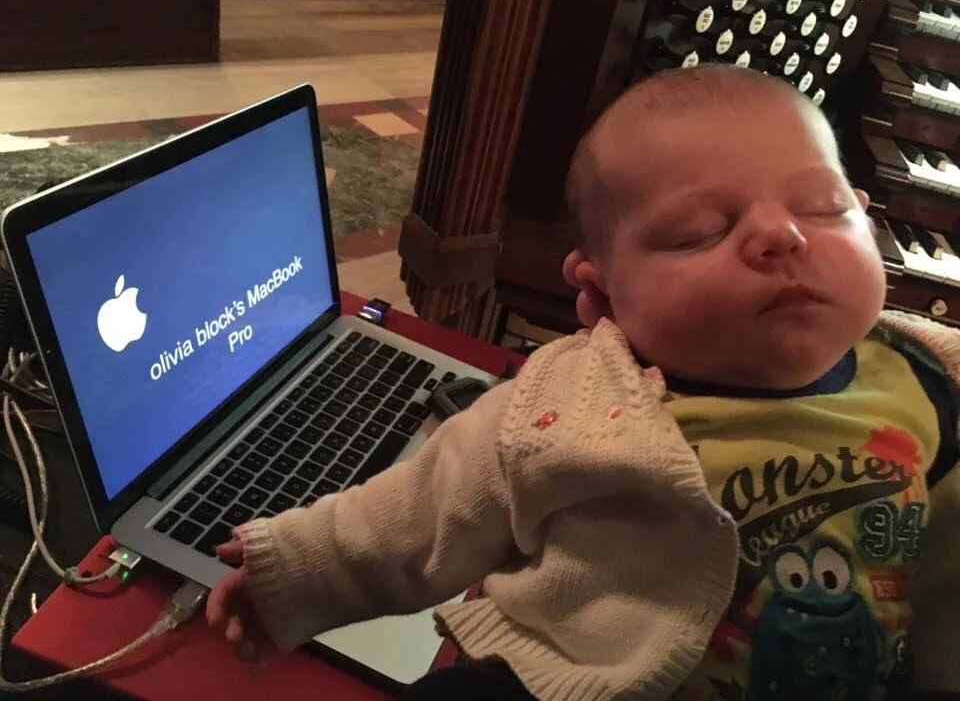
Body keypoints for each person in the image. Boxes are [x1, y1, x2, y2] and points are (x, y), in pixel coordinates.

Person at [206, 65, 960, 700]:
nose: (781, 234)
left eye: (823, 207)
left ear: (866, 217)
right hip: (573, 680)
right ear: (601, 297)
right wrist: (295, 572)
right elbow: (418, 512)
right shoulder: (559, 404)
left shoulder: (923, 382)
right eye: (699, 230)